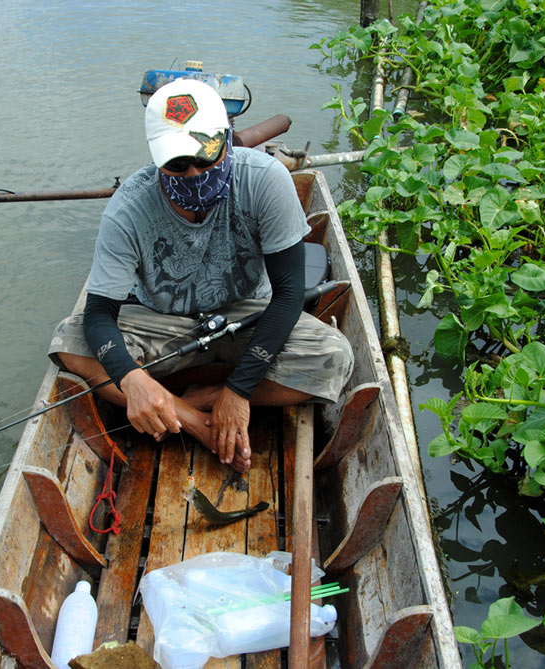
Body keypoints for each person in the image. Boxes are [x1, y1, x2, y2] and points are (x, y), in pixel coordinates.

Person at [48, 78, 353, 473]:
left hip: (251, 316)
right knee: (69, 341)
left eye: (206, 155)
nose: (193, 173)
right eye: (177, 164)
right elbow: (99, 314)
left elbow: (290, 293)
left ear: (226, 141)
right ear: (157, 159)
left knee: (334, 356)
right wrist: (131, 379)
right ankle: (189, 417)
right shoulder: (128, 210)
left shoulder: (265, 180)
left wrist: (238, 391)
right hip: (163, 321)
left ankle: (207, 393)